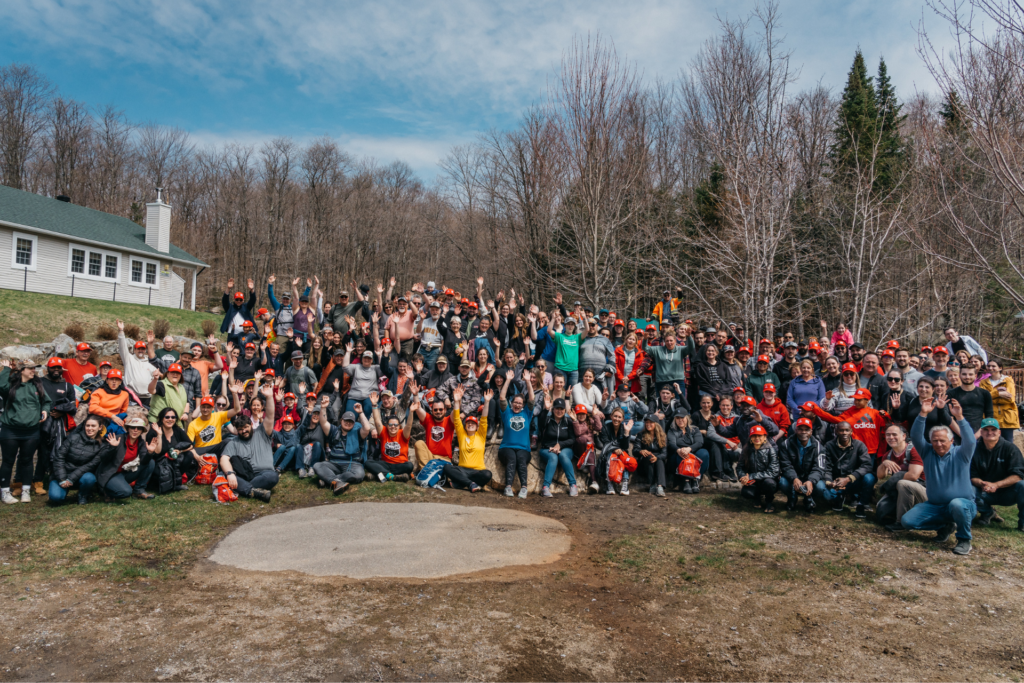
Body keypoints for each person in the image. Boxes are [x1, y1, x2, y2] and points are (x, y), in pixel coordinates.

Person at [898, 398, 976, 556]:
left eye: (942, 441)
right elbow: (916, 435)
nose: (938, 444)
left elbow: (970, 439)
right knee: (907, 521)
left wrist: (959, 417)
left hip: (964, 505)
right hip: (935, 506)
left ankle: (964, 539)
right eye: (935, 441)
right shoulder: (927, 452)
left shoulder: (962, 453)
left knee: (957, 505)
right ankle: (945, 526)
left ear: (952, 440)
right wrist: (923, 414)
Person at [0, 360, 51, 504]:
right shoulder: (11, 384)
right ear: (22, 370)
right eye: (30, 368)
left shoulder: (37, 385)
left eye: (34, 368)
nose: (33, 370)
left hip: (31, 431)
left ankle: (26, 491)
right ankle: (4, 492)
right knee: (8, 461)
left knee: (27, 461)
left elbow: (47, 401)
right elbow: (0, 386)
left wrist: (45, 410)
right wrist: (5, 369)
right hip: (11, 430)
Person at [971, 418, 1024, 531]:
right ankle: (988, 512)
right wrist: (981, 483)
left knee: (1023, 485)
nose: (990, 432)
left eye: (993, 429)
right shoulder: (974, 450)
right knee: (967, 489)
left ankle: (1023, 523)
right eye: (986, 429)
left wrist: (996, 485)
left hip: (1008, 493)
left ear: (999, 432)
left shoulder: (1010, 448)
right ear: (981, 432)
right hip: (984, 491)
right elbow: (972, 475)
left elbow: (1018, 475)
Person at [313, 398, 371, 494]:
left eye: (351, 421)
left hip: (352, 465)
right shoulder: (334, 431)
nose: (348, 423)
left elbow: (367, 428)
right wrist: (323, 408)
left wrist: (360, 413)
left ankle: (330, 480)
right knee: (317, 465)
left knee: (359, 475)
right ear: (341, 420)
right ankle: (336, 481)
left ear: (353, 423)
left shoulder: (357, 432)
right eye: (346, 420)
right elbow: (323, 422)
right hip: (334, 464)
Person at [818, 421, 875, 518]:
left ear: (851, 432)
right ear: (836, 431)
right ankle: (839, 497)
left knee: (869, 478)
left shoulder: (859, 445)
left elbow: (867, 465)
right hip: (836, 482)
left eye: (847, 430)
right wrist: (829, 482)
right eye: (841, 430)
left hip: (854, 480)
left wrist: (848, 479)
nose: (844, 433)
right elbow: (826, 467)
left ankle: (861, 504)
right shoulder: (829, 446)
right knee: (828, 495)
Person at [810, 388, 886, 459]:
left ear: (867, 400)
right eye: (855, 399)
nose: (856, 402)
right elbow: (834, 419)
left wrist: (885, 415)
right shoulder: (850, 412)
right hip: (854, 449)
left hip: (871, 450)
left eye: (859, 400)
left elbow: (887, 426)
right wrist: (816, 410)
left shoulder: (876, 414)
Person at [875, 424, 926, 529]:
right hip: (898, 488)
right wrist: (884, 463)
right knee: (881, 511)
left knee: (901, 481)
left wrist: (889, 485)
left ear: (904, 436)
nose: (891, 437)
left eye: (894, 434)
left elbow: (913, 476)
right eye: (888, 435)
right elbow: (880, 476)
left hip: (922, 490)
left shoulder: (914, 450)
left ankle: (900, 523)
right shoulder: (889, 454)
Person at [48, 414, 105, 505]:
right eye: (87, 425)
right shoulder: (73, 437)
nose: (90, 428)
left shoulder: (101, 445)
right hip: (61, 474)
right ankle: (63, 489)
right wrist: (62, 479)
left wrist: (71, 478)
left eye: (93, 426)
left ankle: (83, 495)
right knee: (56, 498)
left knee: (89, 478)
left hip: (80, 477)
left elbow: (91, 465)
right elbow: (59, 457)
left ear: (100, 427)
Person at [446, 384, 494, 492]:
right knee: (447, 468)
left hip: (477, 471)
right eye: (468, 423)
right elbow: (457, 419)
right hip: (462, 469)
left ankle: (461, 483)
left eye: (473, 423)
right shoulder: (462, 434)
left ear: (477, 427)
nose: (470, 424)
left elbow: (484, 418)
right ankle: (470, 484)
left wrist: (486, 402)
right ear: (465, 425)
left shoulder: (481, 435)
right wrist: (457, 401)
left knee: (487, 474)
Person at [96, 416, 156, 500]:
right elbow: (103, 458)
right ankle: (106, 491)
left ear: (142, 431)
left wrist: (149, 452)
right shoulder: (117, 438)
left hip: (126, 472)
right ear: (128, 428)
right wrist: (112, 448)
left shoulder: (141, 442)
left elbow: (144, 461)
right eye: (132, 427)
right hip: (111, 474)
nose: (135, 430)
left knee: (151, 462)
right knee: (126, 492)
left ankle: (139, 490)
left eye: (139, 428)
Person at [498, 367, 534, 498]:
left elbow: (531, 398)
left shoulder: (527, 413)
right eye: (515, 402)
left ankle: (524, 488)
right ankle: (508, 487)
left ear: (523, 405)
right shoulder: (507, 412)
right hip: (506, 448)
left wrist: (528, 382)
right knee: (512, 457)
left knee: (520, 458)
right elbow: (502, 397)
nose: (517, 405)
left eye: (520, 403)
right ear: (511, 403)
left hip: (524, 449)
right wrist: (507, 380)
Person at [778, 417, 827, 512]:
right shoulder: (786, 444)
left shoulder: (819, 446)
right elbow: (785, 465)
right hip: (794, 476)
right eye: (800, 429)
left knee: (821, 487)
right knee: (783, 482)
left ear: (811, 431)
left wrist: (811, 481)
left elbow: (819, 468)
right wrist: (794, 478)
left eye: (806, 429)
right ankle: (792, 498)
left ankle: (808, 499)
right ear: (796, 430)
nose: (803, 432)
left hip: (809, 477)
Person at [368, 393, 416, 482]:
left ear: (399, 426)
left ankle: (380, 474)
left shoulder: (403, 434)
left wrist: (411, 412)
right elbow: (377, 421)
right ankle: (393, 476)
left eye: (395, 425)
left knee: (409, 466)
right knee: (368, 463)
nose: (392, 426)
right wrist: (374, 405)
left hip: (400, 464)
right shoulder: (384, 432)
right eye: (390, 424)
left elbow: (409, 425)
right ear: (387, 425)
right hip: (385, 463)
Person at [537, 396, 578, 497]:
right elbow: (540, 423)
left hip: (565, 449)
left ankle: (573, 485)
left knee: (563, 456)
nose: (559, 411)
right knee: (553, 457)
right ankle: (545, 487)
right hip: (547, 449)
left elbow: (572, 439)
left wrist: (560, 445)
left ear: (565, 410)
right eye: (557, 408)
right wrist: (546, 409)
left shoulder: (568, 421)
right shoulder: (547, 420)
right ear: (553, 409)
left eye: (561, 409)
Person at [146, 407, 192, 494]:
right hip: (158, 463)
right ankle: (161, 484)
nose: (170, 419)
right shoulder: (153, 432)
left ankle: (175, 483)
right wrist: (159, 435)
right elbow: (157, 452)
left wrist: (180, 451)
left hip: (174, 462)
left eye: (173, 417)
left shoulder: (177, 430)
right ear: (162, 418)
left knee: (189, 455)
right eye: (167, 417)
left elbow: (190, 445)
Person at [737, 424, 780, 512]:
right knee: (746, 492)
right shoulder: (746, 450)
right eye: (754, 435)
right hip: (753, 482)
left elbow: (773, 472)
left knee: (769, 483)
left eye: (760, 435)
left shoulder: (771, 450)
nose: (757, 438)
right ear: (751, 438)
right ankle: (757, 498)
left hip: (767, 480)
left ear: (765, 437)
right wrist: (742, 477)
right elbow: (739, 467)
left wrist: (751, 476)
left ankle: (769, 502)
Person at [666, 411, 708, 493]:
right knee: (681, 454)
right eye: (677, 418)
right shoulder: (672, 431)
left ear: (687, 419)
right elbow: (671, 443)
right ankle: (686, 481)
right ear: (675, 420)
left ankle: (696, 479)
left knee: (704, 453)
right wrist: (678, 450)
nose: (680, 420)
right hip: (678, 455)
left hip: (692, 452)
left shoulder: (695, 429)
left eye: (682, 418)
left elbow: (699, 442)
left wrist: (689, 448)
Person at [947, 364, 994, 435]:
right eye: (964, 374)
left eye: (970, 374)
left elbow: (989, 417)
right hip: (957, 433)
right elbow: (949, 417)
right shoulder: (951, 393)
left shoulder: (985, 393)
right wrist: (962, 435)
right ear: (960, 375)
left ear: (975, 376)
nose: (967, 377)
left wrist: (976, 436)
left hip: (979, 433)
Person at [980, 360, 1019, 442]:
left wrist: (990, 398)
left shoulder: (1008, 380)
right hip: (991, 417)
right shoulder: (983, 382)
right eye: (989, 366)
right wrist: (998, 394)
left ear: (1000, 368)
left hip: (1006, 417)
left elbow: (1010, 399)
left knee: (1008, 444)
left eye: (993, 366)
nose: (991, 368)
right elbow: (983, 399)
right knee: (990, 443)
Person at [635, 413, 669, 497]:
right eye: (647, 422)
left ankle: (660, 487)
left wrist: (657, 457)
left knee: (659, 459)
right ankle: (652, 484)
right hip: (644, 464)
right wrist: (641, 451)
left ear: (656, 424)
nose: (648, 424)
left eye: (651, 422)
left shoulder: (662, 436)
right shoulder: (641, 435)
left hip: (658, 464)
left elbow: (664, 454)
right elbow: (635, 450)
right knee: (650, 456)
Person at [147, 363, 189, 428]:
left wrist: (185, 413)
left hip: (176, 424)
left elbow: (186, 402)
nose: (175, 374)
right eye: (172, 372)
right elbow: (151, 390)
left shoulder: (181, 387)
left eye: (177, 373)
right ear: (167, 374)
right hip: (159, 424)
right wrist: (155, 379)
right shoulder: (161, 384)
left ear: (181, 375)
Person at [220, 277, 256, 346]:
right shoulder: (230, 308)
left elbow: (253, 300)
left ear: (243, 300)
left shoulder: (246, 307)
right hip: (232, 335)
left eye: (240, 299)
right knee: (230, 353)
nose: (238, 301)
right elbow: (224, 301)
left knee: (244, 354)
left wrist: (252, 290)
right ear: (234, 299)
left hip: (245, 335)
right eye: (237, 299)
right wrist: (228, 288)